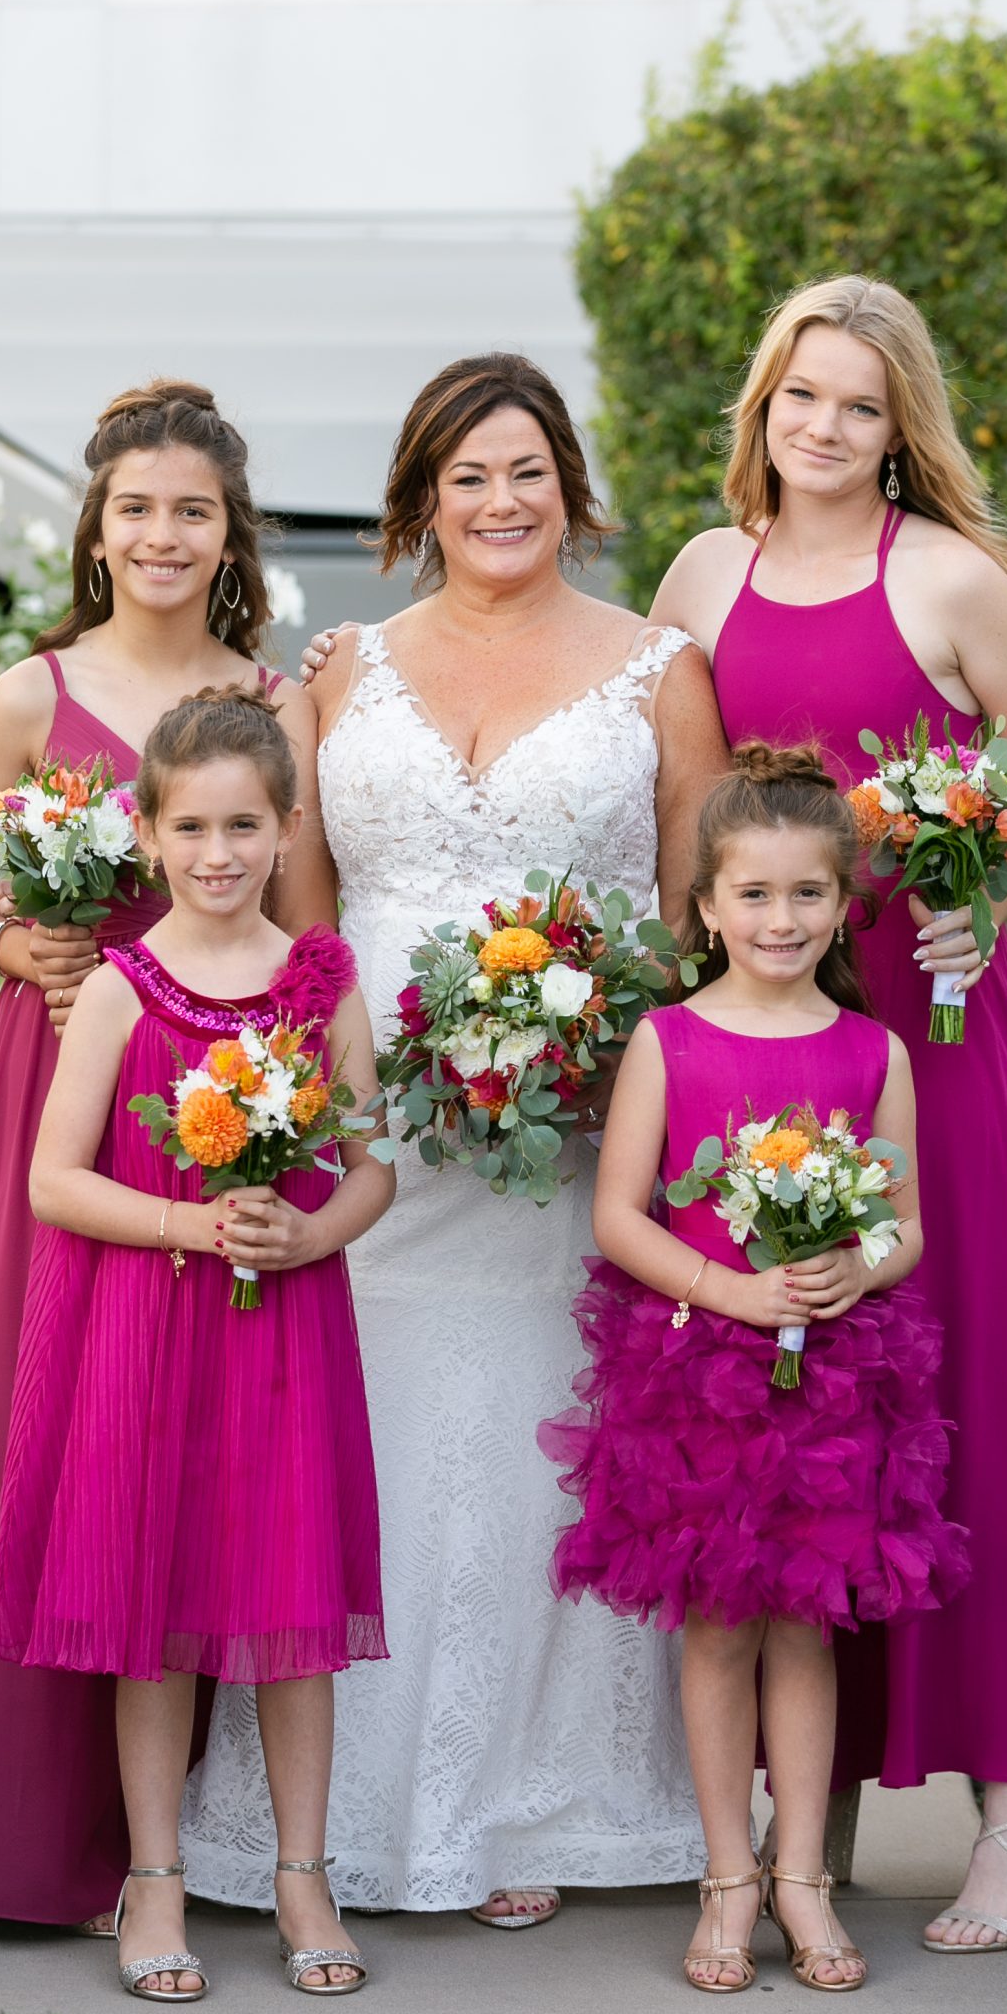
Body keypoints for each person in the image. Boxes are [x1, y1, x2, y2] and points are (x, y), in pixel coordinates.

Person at [181, 351, 729, 1924]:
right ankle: (339, 1812)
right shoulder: (341, 669)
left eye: (525, 472)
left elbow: (695, 914)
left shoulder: (658, 670)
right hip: (376, 1129)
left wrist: (605, 1058)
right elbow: (304, 914)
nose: (499, 502)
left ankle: (526, 1807)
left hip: (574, 1124)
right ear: (420, 501)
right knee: (367, 1437)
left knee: (532, 1438)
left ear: (569, 488)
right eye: (466, 477)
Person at [650, 274, 1007, 1954]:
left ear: (898, 424)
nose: (823, 428)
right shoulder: (703, 575)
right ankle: (808, 1802)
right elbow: (674, 797)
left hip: (931, 1030)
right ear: (761, 406)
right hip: (760, 1043)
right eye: (799, 396)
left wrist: (992, 891)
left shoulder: (954, 580)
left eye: (856, 403)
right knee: (795, 1403)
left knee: (966, 1398)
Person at [0, 381, 336, 1931]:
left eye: (190, 511)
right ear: (96, 527)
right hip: (69, 1090)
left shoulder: (274, 703)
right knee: (46, 1432)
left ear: (230, 535)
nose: (161, 534)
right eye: (135, 508)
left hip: (231, 1105)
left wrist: (292, 1118)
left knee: (193, 1458)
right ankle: (24, 1850)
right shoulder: (30, 695)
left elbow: (311, 929)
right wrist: (24, 948)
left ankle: (189, 1847)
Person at [0, 686, 391, 2000]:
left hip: (285, 1336)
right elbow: (52, 1180)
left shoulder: (322, 983)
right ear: (148, 834)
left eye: (245, 826)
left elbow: (373, 1169)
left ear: (287, 830)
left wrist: (309, 1234)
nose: (219, 853)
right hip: (146, 1336)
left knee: (294, 1607)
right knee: (151, 1610)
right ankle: (154, 1876)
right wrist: (189, 1224)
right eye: (193, 828)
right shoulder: (118, 990)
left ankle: (302, 1873)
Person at [543, 745, 972, 1992]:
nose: (781, 919)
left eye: (807, 894)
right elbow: (619, 1214)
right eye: (754, 894)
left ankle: (803, 1877)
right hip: (697, 1376)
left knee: (805, 1629)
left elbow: (905, 1226)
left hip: (836, 1382)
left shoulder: (873, 1052)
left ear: (842, 905)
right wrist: (728, 1288)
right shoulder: (670, 1041)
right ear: (708, 904)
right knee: (722, 1625)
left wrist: (856, 1269)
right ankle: (728, 1876)